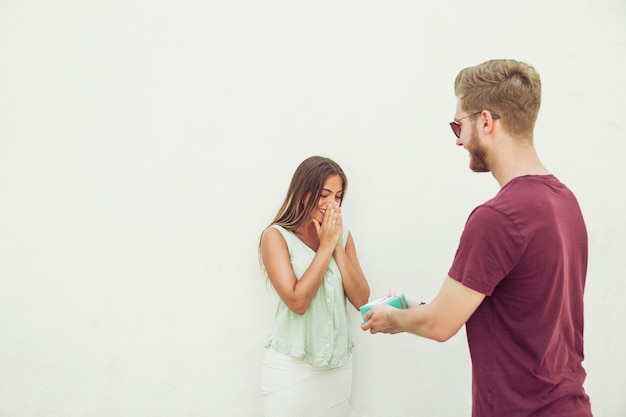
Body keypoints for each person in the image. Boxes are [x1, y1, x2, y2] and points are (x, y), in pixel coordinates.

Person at [361, 59, 593, 416]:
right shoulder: (565, 202)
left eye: (459, 125)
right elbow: (517, 306)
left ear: (486, 122)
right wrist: (414, 310)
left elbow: (440, 325)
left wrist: (393, 320)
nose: (457, 140)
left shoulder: (497, 217)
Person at [259, 155, 370, 417]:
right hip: (290, 368)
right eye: (325, 194)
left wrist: (335, 247)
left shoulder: (341, 236)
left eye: (339, 196)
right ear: (303, 193)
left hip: (337, 368)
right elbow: (297, 302)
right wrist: (326, 248)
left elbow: (361, 299)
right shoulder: (275, 237)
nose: (332, 203)